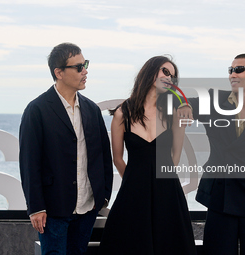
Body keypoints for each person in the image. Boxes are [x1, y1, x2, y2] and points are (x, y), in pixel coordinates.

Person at [178, 53, 245, 255]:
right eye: (231, 70)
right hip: (219, 197)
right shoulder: (213, 100)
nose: (233, 74)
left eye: (239, 69)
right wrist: (184, 104)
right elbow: (176, 99)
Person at [19, 42, 113, 255]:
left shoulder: (91, 109)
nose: (85, 71)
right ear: (59, 72)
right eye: (78, 67)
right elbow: (29, 163)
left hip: (87, 207)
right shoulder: (37, 110)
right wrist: (36, 207)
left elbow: (103, 156)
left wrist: (103, 195)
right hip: (53, 209)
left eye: (85, 64)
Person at [99, 56, 197, 255]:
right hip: (133, 193)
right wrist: (135, 181)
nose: (169, 78)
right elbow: (117, 158)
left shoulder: (175, 112)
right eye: (165, 71)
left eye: (173, 76)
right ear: (150, 72)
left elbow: (175, 155)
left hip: (168, 192)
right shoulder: (122, 113)